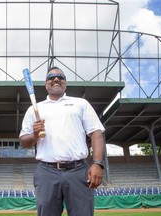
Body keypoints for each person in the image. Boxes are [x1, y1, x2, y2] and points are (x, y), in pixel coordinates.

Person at [19, 66, 105, 216]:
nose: (56, 79)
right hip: (46, 172)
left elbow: (96, 134)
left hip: (79, 170)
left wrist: (98, 164)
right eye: (51, 77)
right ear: (46, 84)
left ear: (65, 82)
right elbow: (24, 142)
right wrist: (34, 134)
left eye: (60, 76)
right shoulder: (34, 109)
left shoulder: (80, 104)